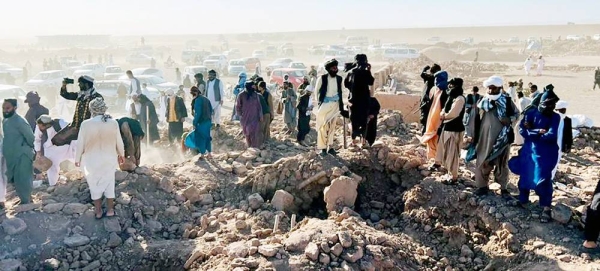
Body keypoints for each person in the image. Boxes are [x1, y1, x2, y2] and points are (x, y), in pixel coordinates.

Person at [509, 89, 560, 223]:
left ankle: (546, 207)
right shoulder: (531, 113)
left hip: (546, 154)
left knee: (543, 179)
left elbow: (551, 134)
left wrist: (532, 132)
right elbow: (522, 131)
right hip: (528, 151)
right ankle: (523, 199)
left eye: (553, 104)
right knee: (525, 175)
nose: (551, 107)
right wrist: (538, 131)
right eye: (548, 103)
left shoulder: (555, 117)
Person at [466, 76, 519, 197]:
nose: (490, 91)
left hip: (502, 139)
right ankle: (482, 187)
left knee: (502, 164)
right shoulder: (483, 101)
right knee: (482, 162)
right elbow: (474, 119)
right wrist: (471, 135)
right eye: (489, 88)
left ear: (500, 88)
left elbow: (517, 114)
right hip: (484, 138)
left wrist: (510, 119)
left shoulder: (507, 101)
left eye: (493, 88)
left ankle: (503, 188)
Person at [75, 98, 124, 219]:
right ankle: (110, 210)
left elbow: (80, 143)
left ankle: (98, 211)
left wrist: (77, 158)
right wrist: (121, 154)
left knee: (94, 184)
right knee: (109, 182)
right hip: (109, 158)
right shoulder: (113, 123)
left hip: (91, 160)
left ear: (92, 109)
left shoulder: (85, 124)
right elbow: (119, 141)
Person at [434, 78, 466, 184]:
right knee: (445, 151)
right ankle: (447, 172)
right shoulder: (451, 97)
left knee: (452, 153)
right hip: (447, 127)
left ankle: (454, 177)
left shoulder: (460, 99)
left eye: (452, 85)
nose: (450, 87)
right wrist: (443, 114)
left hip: (455, 129)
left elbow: (454, 113)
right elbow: (444, 109)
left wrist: (444, 116)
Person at [2, 99, 34, 204]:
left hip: (22, 154)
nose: (5, 110)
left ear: (15, 108)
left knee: (23, 178)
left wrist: (26, 149)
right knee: (15, 179)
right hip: (11, 155)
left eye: (8, 108)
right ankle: (24, 199)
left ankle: (26, 202)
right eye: (3, 108)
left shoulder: (20, 121)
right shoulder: (5, 120)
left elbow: (30, 137)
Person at [315, 59, 349, 156]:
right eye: (333, 68)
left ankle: (330, 147)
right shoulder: (322, 78)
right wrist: (321, 101)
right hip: (325, 106)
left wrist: (342, 108)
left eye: (336, 68)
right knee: (323, 127)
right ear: (329, 69)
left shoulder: (339, 79)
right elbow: (316, 92)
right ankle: (322, 148)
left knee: (332, 127)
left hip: (335, 105)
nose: (335, 69)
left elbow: (341, 92)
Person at [56, 75, 103, 146]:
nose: (79, 86)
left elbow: (100, 113)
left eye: (80, 84)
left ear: (86, 85)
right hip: (75, 126)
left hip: (89, 127)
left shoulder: (97, 97)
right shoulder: (80, 95)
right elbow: (65, 95)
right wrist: (64, 85)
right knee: (57, 140)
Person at [33, 115, 74, 186]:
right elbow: (37, 139)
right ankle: (53, 184)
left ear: (47, 124)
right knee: (52, 167)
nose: (39, 128)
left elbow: (71, 129)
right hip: (51, 149)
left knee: (78, 158)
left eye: (41, 126)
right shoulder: (39, 126)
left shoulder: (60, 123)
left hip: (66, 146)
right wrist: (38, 151)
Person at [344, 54, 375, 146]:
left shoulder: (351, 72)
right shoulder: (365, 73)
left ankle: (353, 141)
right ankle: (363, 142)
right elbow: (371, 82)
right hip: (364, 102)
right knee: (364, 121)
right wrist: (369, 70)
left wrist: (351, 90)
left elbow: (346, 84)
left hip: (353, 101)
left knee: (354, 121)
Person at [422, 69, 448, 168]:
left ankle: (439, 162)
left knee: (439, 140)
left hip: (441, 121)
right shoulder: (435, 90)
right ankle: (435, 159)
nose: (436, 81)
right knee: (432, 138)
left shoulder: (446, 93)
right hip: (432, 118)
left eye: (438, 79)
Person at [185, 87, 213, 159]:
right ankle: (209, 153)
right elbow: (211, 110)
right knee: (207, 137)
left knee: (201, 138)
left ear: (195, 93)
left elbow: (198, 113)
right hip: (208, 121)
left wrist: (194, 123)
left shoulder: (198, 100)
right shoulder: (206, 99)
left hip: (201, 122)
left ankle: (202, 154)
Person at [236, 81, 263, 148]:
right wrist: (240, 115)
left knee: (254, 133)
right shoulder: (241, 95)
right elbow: (238, 106)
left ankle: (254, 147)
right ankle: (249, 146)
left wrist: (261, 115)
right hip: (245, 118)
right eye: (253, 86)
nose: (254, 87)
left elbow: (259, 106)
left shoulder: (255, 95)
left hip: (255, 117)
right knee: (247, 133)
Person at [419, 64, 442, 135]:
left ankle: (425, 134)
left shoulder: (431, 77)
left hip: (427, 101)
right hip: (433, 102)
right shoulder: (438, 79)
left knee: (425, 118)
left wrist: (425, 69)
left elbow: (422, 74)